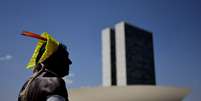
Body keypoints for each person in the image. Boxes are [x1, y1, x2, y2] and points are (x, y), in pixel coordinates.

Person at [18, 31, 72, 101]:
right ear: (55, 60)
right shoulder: (53, 84)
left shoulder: (26, 85)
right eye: (65, 57)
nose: (70, 62)